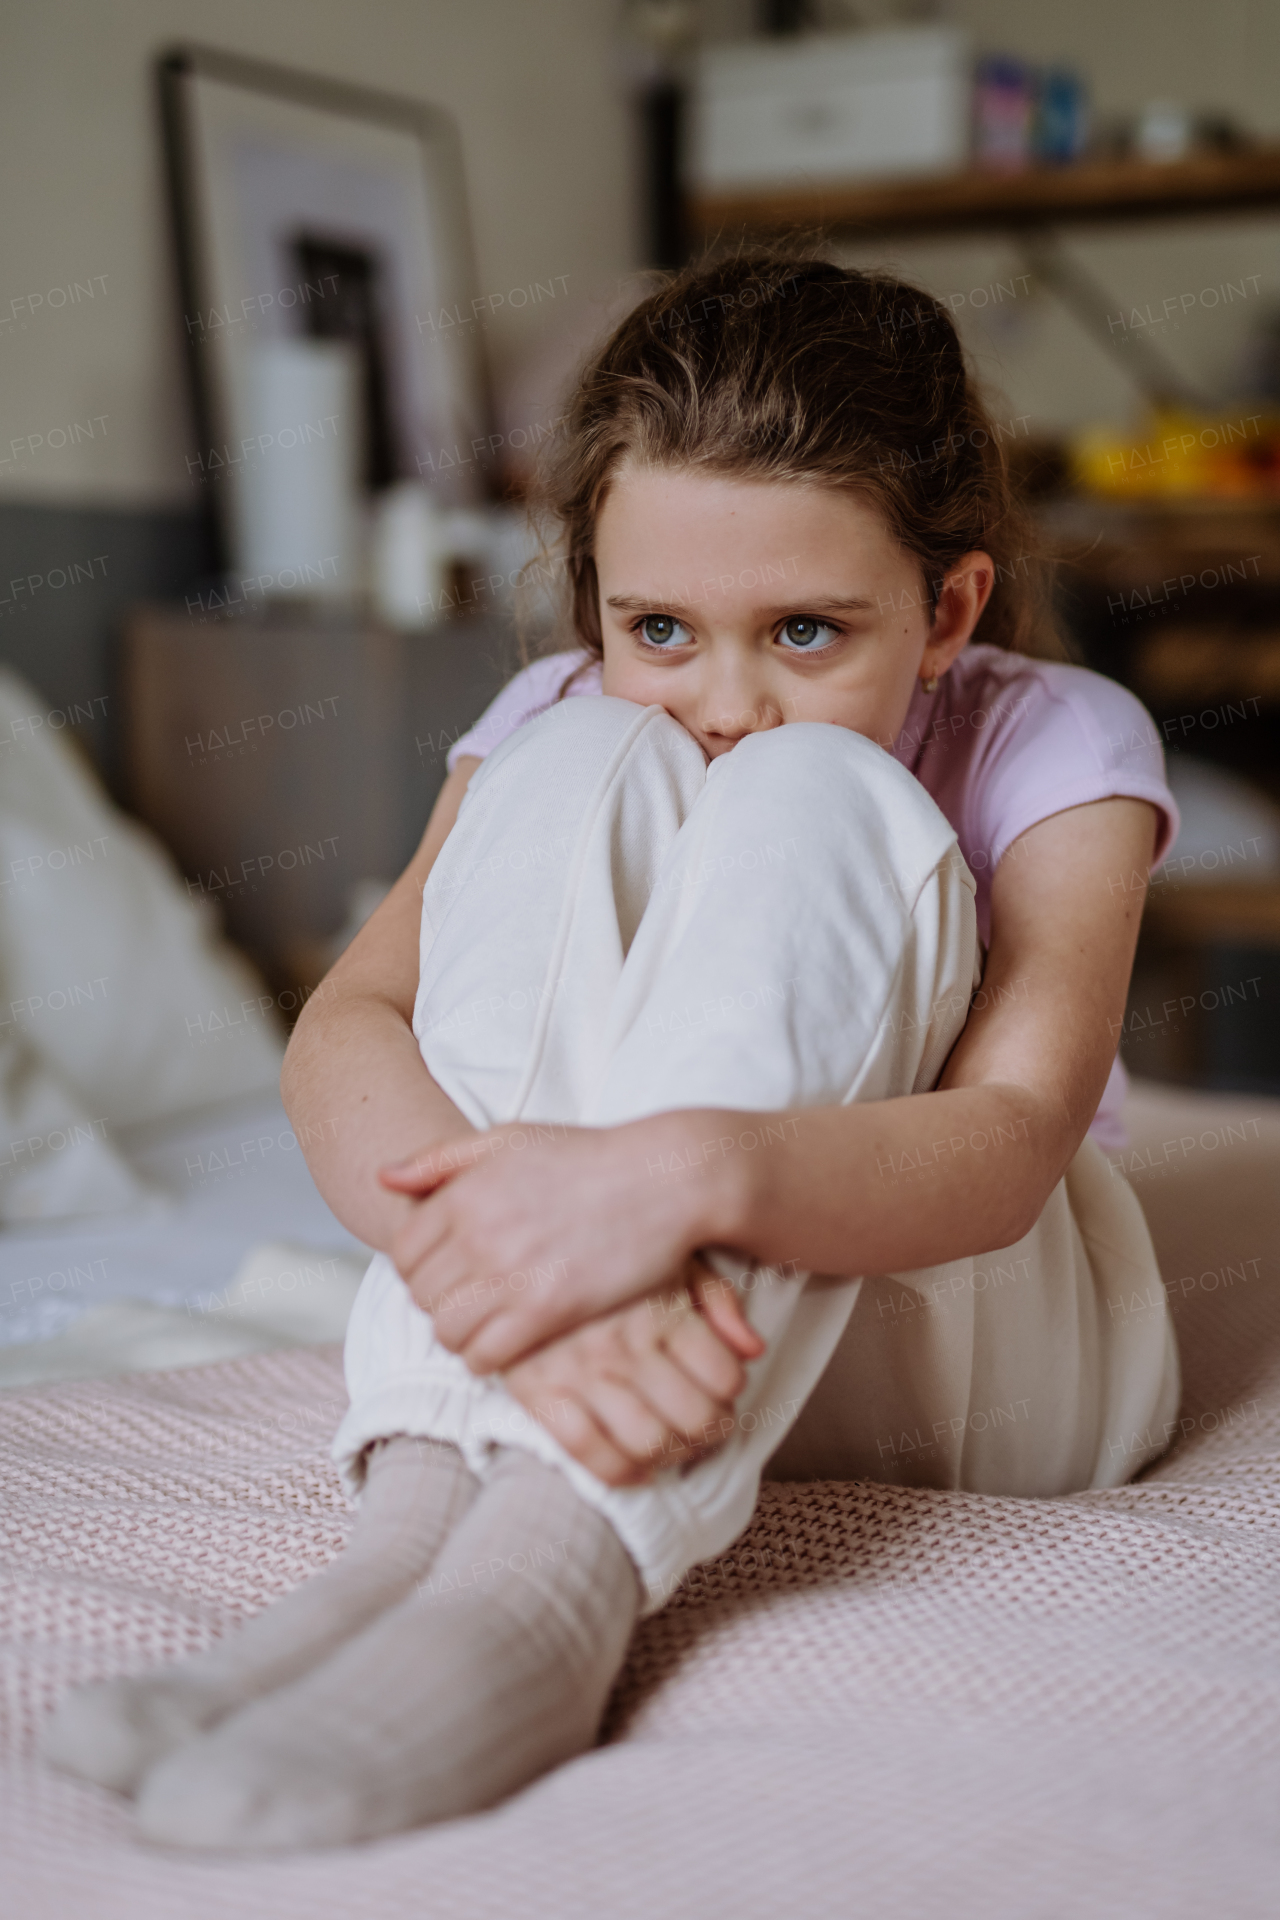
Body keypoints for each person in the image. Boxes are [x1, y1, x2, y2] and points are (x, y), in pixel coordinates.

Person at [43, 251, 1180, 1851]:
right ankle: (401, 1561)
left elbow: (1007, 1144)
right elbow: (343, 1035)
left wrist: (668, 1182)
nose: (724, 700)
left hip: (965, 1337)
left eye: (804, 631)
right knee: (578, 750)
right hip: (613, 1322)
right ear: (593, 594)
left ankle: (540, 1593)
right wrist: (527, 1253)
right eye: (658, 625)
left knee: (814, 792)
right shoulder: (567, 710)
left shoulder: (1058, 738)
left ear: (950, 607)